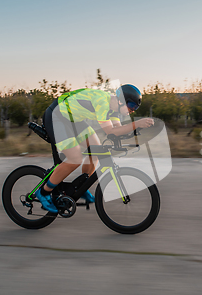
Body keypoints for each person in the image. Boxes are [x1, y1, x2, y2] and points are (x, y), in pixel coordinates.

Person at [35, 84, 154, 213]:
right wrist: (136, 123)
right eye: (132, 106)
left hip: (74, 120)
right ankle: (44, 192)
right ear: (121, 101)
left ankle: (81, 186)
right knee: (75, 158)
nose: (133, 110)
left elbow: (117, 131)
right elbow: (110, 130)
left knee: (95, 150)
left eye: (136, 107)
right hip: (57, 116)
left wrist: (136, 129)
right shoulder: (102, 102)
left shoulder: (114, 110)